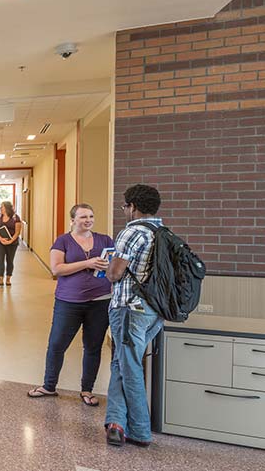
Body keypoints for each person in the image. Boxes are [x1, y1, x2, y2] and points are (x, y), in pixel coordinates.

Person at [28, 204, 113, 407]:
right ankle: (49, 385)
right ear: (73, 220)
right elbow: (57, 269)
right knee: (57, 344)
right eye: (83, 217)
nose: (88, 220)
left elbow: (115, 264)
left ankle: (87, 389)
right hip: (69, 302)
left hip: (100, 301)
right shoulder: (63, 241)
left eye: (91, 216)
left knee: (93, 347)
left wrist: (108, 266)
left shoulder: (105, 240)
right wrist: (87, 263)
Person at [103, 184, 165, 448]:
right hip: (154, 311)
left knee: (130, 368)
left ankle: (140, 430)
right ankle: (116, 423)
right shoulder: (163, 232)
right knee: (122, 362)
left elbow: (114, 273)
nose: (124, 211)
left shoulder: (132, 232)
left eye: (124, 207)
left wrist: (107, 267)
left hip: (130, 308)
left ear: (132, 207)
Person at [0, 201, 23, 287]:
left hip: (12, 243)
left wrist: (10, 241)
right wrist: (0, 239)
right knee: (0, 260)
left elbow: (17, 232)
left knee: (10, 260)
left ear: (6, 208)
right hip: (0, 242)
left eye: (1, 207)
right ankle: (0, 280)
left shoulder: (15, 218)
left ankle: (8, 279)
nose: (0, 208)